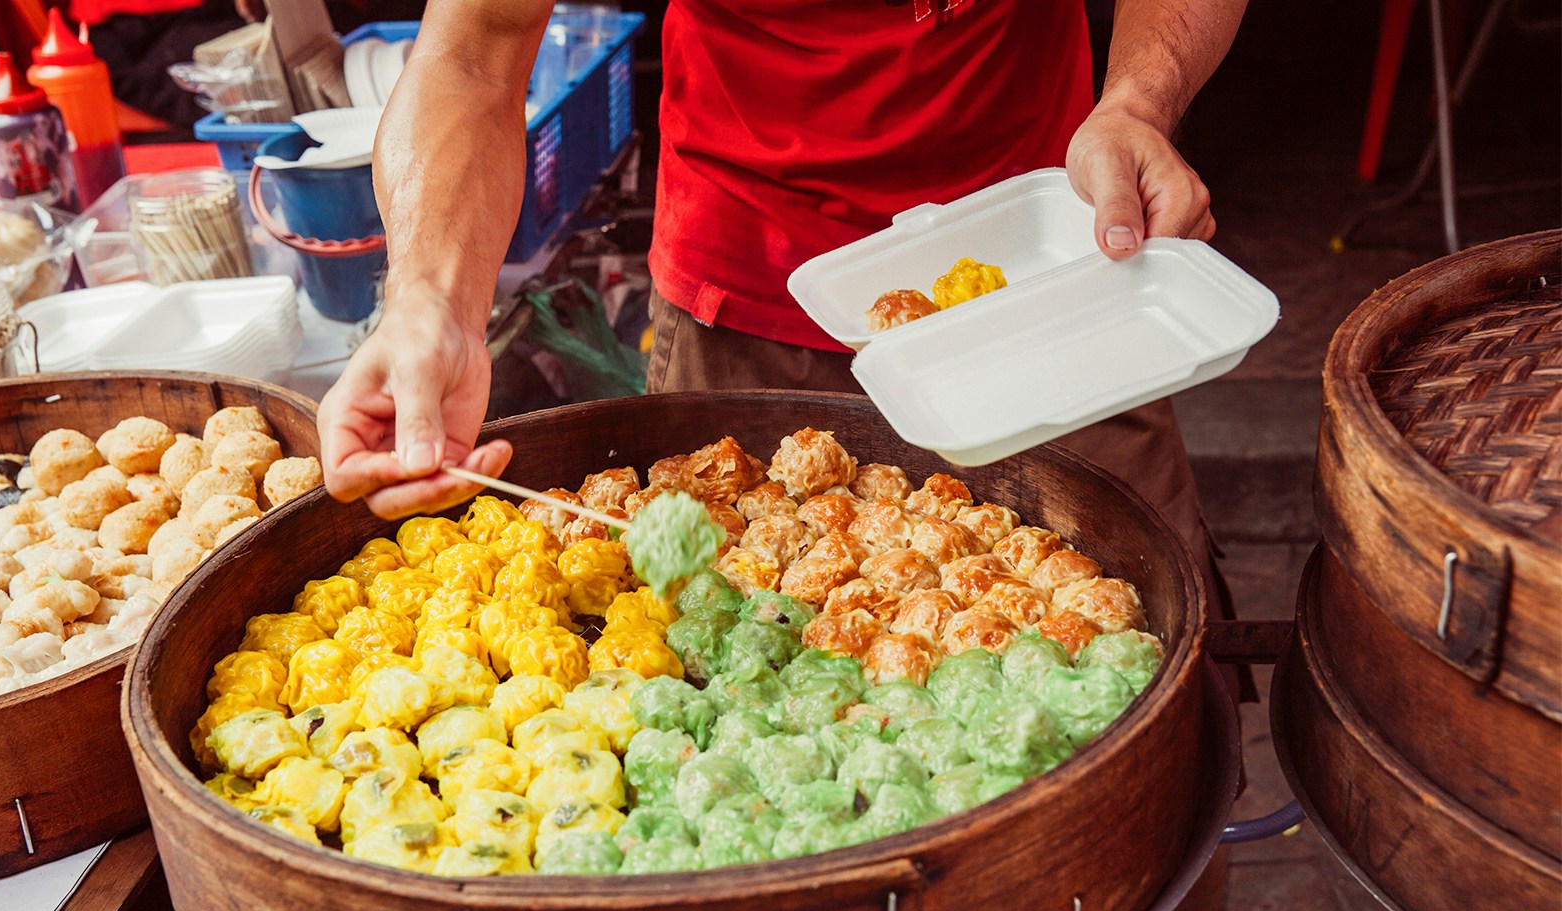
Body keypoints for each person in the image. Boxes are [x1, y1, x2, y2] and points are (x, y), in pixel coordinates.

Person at [318, 0, 1247, 618]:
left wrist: (1139, 102)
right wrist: (429, 303)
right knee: (725, 657)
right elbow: (474, 54)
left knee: (1157, 654)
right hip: (746, 292)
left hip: (1049, 273)